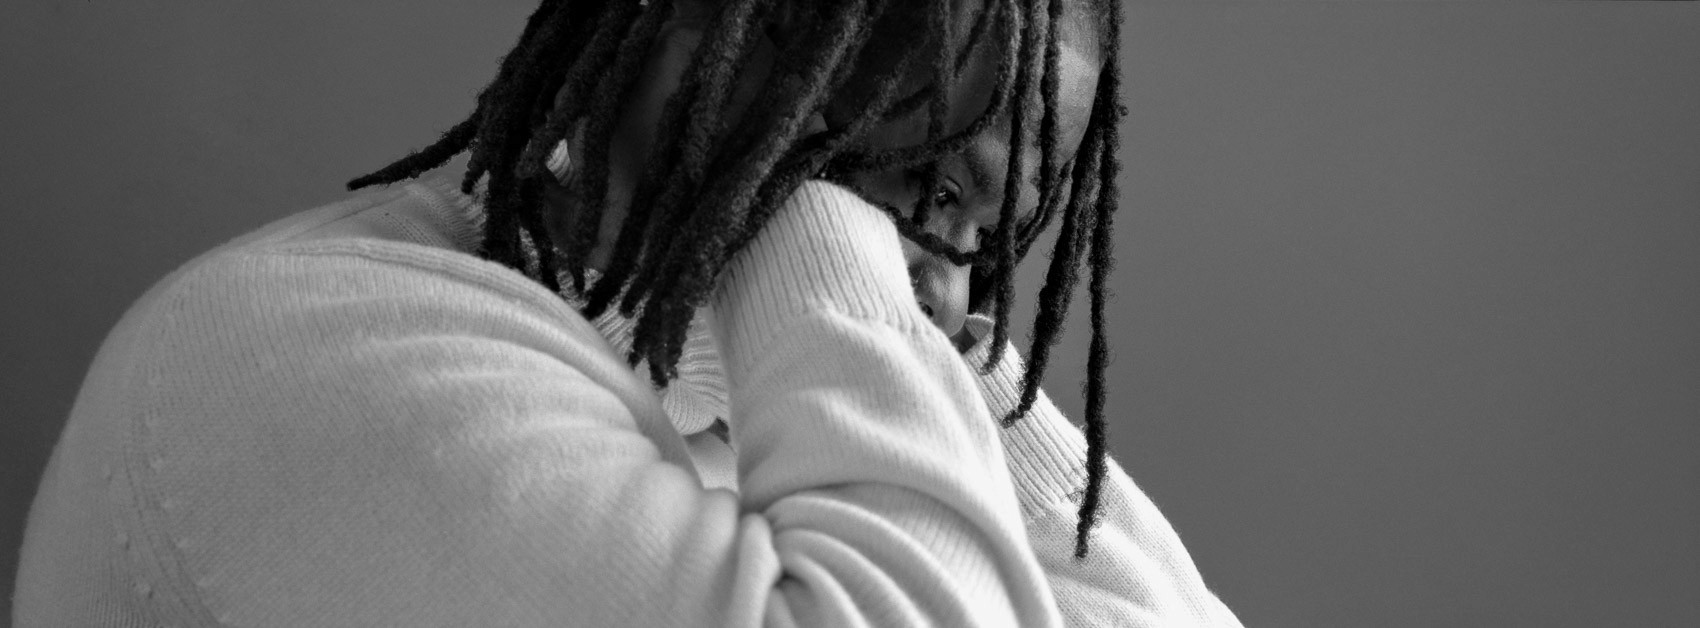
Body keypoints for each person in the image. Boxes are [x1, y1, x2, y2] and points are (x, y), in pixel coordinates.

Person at [13, 0, 1242, 625]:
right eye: (920, 186)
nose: (959, 294)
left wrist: (954, 361)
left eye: (988, 233)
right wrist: (824, 241)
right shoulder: (321, 354)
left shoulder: (742, 407)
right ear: (698, 46)